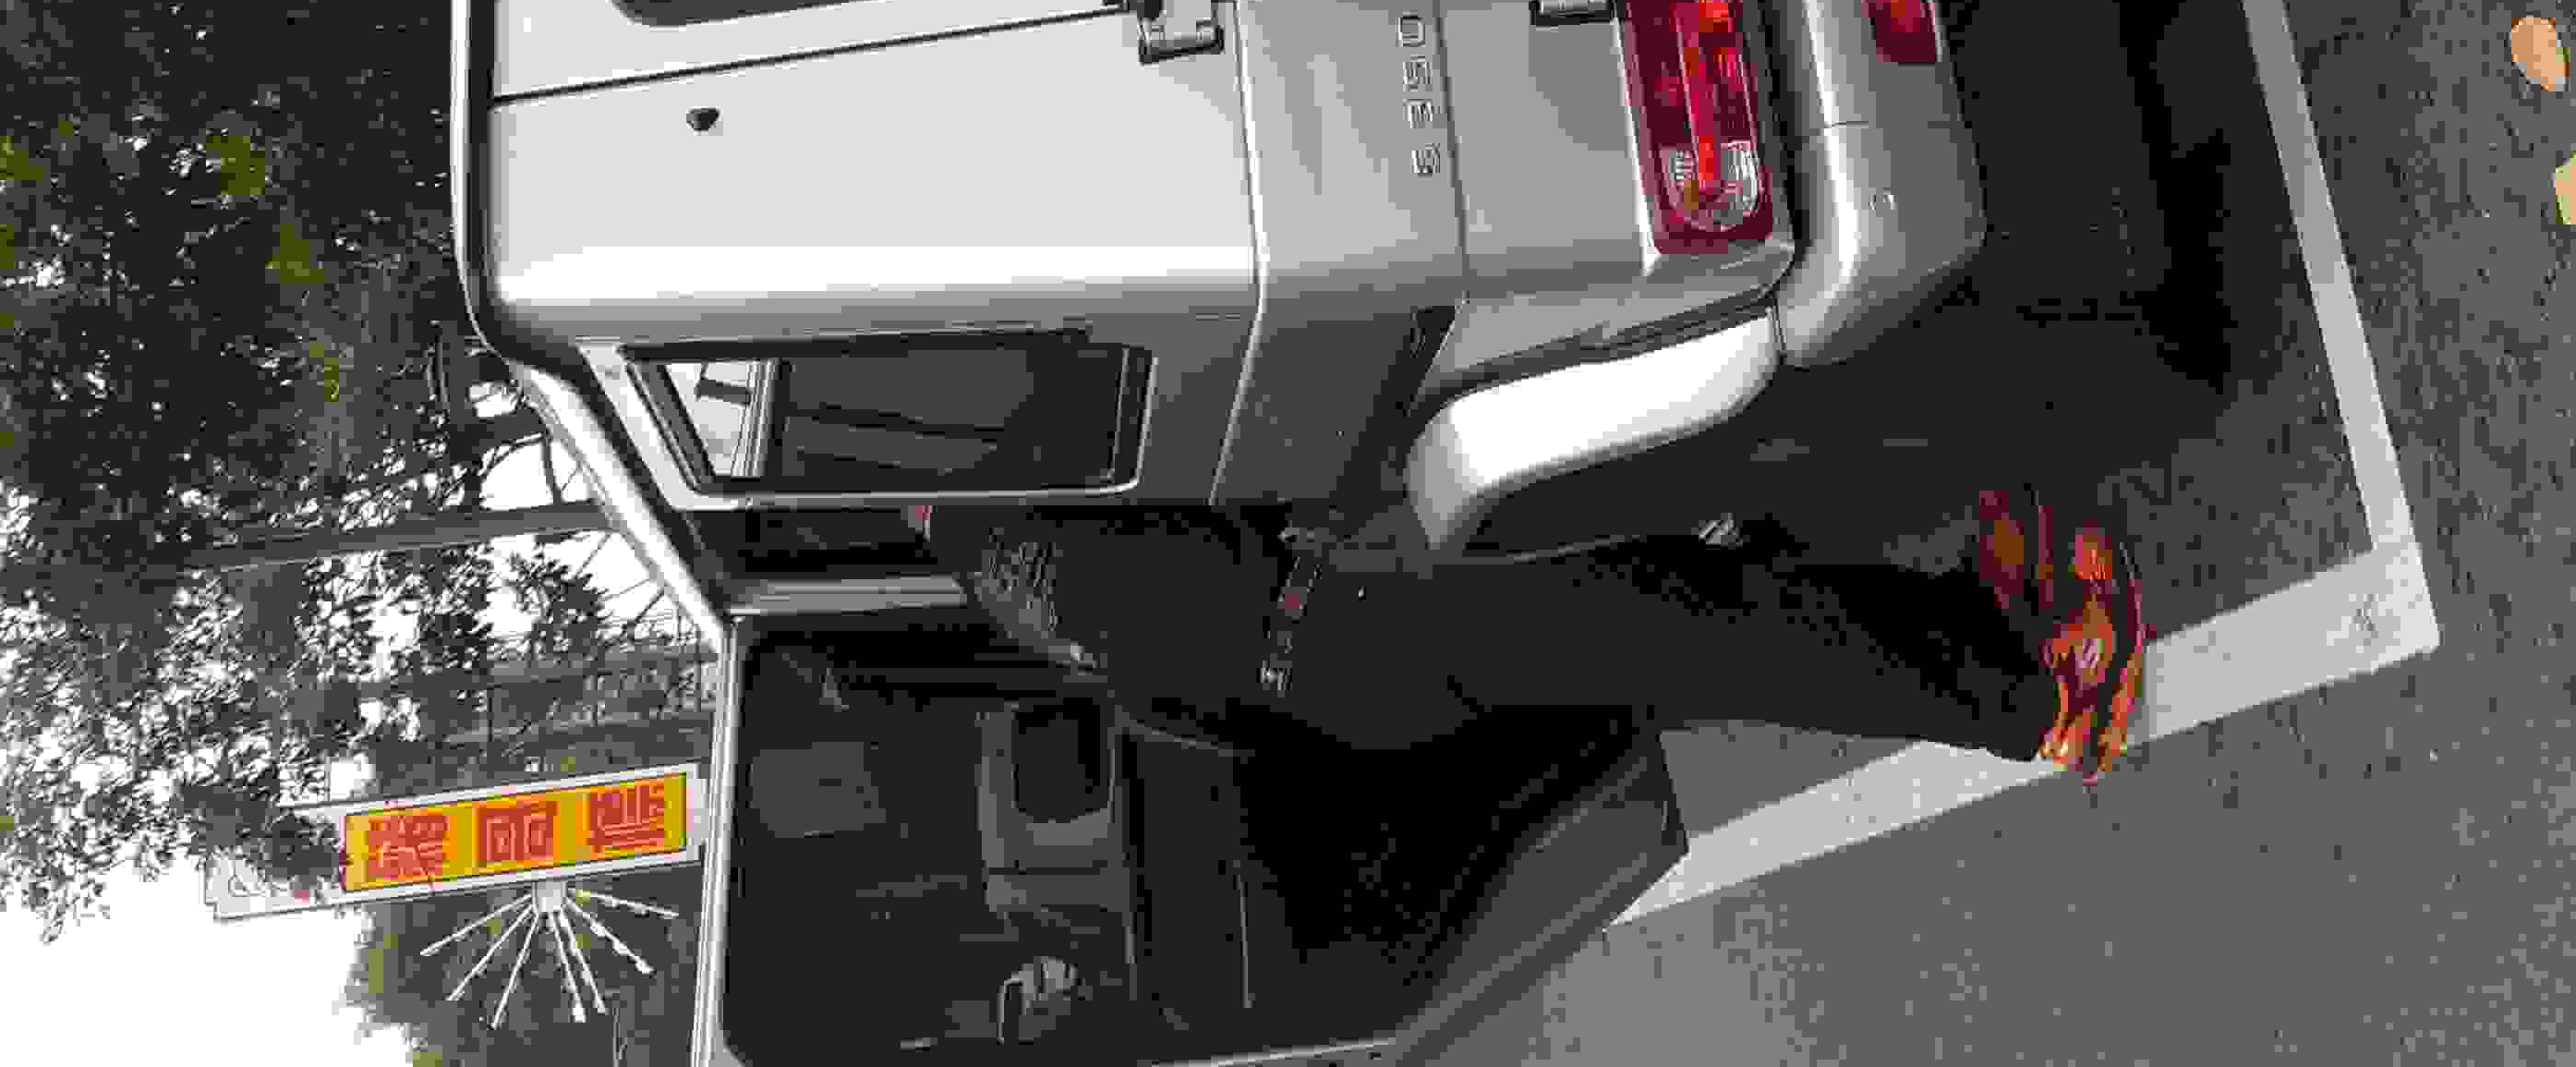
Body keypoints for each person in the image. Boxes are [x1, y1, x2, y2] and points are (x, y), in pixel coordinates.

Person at [900, 480, 2147, 783]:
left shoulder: (1010, 553)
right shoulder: (1024, 538)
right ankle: (2029, 710)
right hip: (1361, 628)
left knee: (1692, 587)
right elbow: (1206, 554)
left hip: (1352, 652)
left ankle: (1973, 620)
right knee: (1706, 621)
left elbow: (1208, 723)